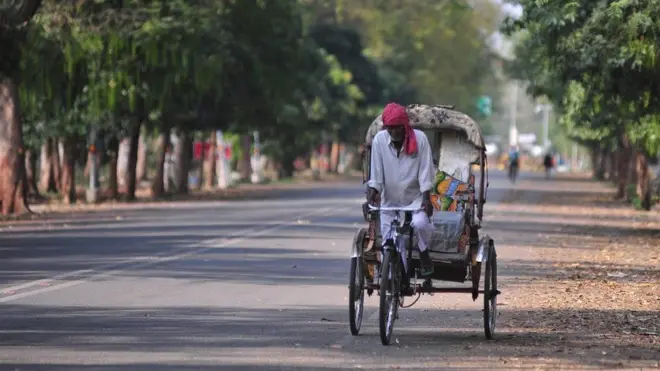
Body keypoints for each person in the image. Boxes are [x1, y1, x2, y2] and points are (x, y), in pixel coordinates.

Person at [366, 103, 435, 276]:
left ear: (405, 126)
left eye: (398, 128)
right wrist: (372, 194)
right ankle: (392, 284)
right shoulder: (379, 140)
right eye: (390, 128)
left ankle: (424, 251)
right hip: (389, 200)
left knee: (420, 224)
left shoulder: (420, 139)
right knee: (388, 242)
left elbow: (425, 171)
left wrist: (427, 199)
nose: (394, 132)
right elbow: (376, 174)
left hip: (415, 198)